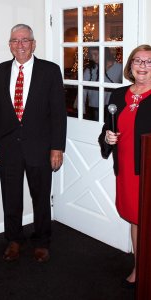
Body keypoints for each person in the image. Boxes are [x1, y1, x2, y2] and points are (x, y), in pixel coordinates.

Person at [0, 24, 67, 263]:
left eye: (25, 40)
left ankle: (42, 241)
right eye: (15, 40)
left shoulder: (50, 70)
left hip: (41, 147)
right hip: (9, 146)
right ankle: (14, 239)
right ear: (10, 45)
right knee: (10, 197)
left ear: (34, 44)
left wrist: (57, 147)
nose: (20, 45)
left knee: (41, 197)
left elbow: (58, 113)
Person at [99, 44, 151, 289]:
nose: (142, 66)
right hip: (128, 170)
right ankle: (140, 268)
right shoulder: (118, 95)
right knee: (136, 219)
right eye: (138, 61)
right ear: (130, 66)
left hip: (149, 171)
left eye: (149, 62)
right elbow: (106, 130)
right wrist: (108, 138)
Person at [82, 47, 123, 121]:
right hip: (94, 107)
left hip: (113, 107)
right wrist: (81, 107)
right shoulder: (90, 69)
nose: (94, 57)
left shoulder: (119, 68)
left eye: (96, 54)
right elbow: (83, 89)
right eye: (91, 55)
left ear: (105, 53)